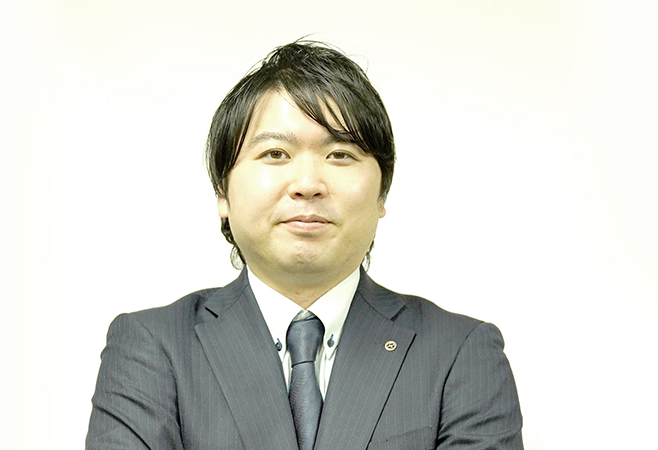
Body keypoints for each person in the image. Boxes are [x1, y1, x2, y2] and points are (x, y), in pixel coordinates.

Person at [86, 40, 523, 450]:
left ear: (382, 194)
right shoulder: (152, 347)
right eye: (275, 154)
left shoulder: (460, 353)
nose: (308, 184)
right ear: (223, 192)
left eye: (340, 155)